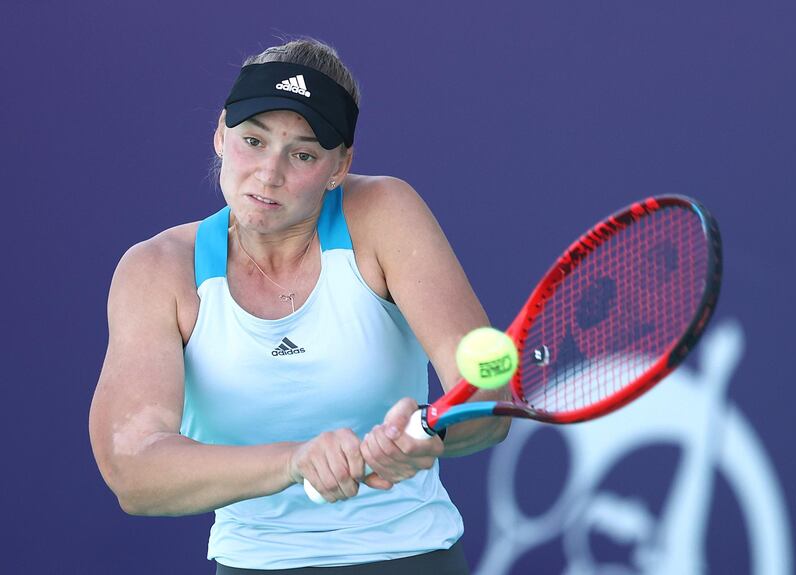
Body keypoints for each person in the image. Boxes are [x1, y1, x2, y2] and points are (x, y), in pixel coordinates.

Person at [89, 38, 511, 574]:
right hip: (252, 564)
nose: (270, 172)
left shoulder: (386, 214)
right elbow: (133, 471)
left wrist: (428, 435)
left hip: (411, 557)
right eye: (253, 140)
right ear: (220, 134)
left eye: (303, 154)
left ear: (339, 166)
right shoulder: (156, 270)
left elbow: (490, 393)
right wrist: (293, 461)